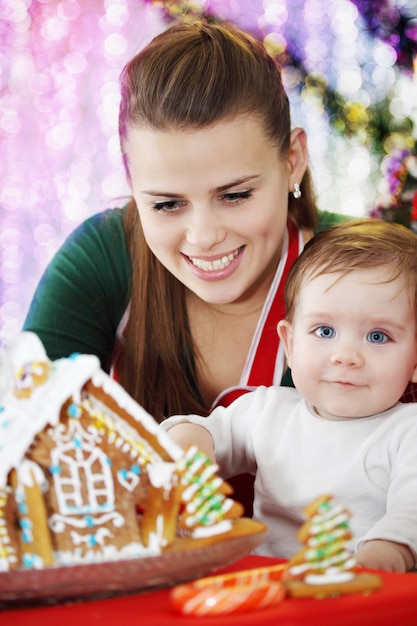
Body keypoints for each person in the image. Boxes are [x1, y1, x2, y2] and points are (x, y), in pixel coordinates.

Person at [22, 18, 346, 512]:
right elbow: (25, 455)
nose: (205, 236)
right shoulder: (104, 256)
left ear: (293, 160)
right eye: (167, 204)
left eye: (235, 195)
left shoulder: (382, 269)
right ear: (132, 180)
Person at [161, 218, 417, 573]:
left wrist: (380, 559)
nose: (344, 355)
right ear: (291, 344)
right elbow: (203, 430)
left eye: (377, 337)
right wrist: (189, 453)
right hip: (262, 588)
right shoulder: (267, 410)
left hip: (357, 593)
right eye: (324, 330)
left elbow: (411, 513)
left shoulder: (408, 431)